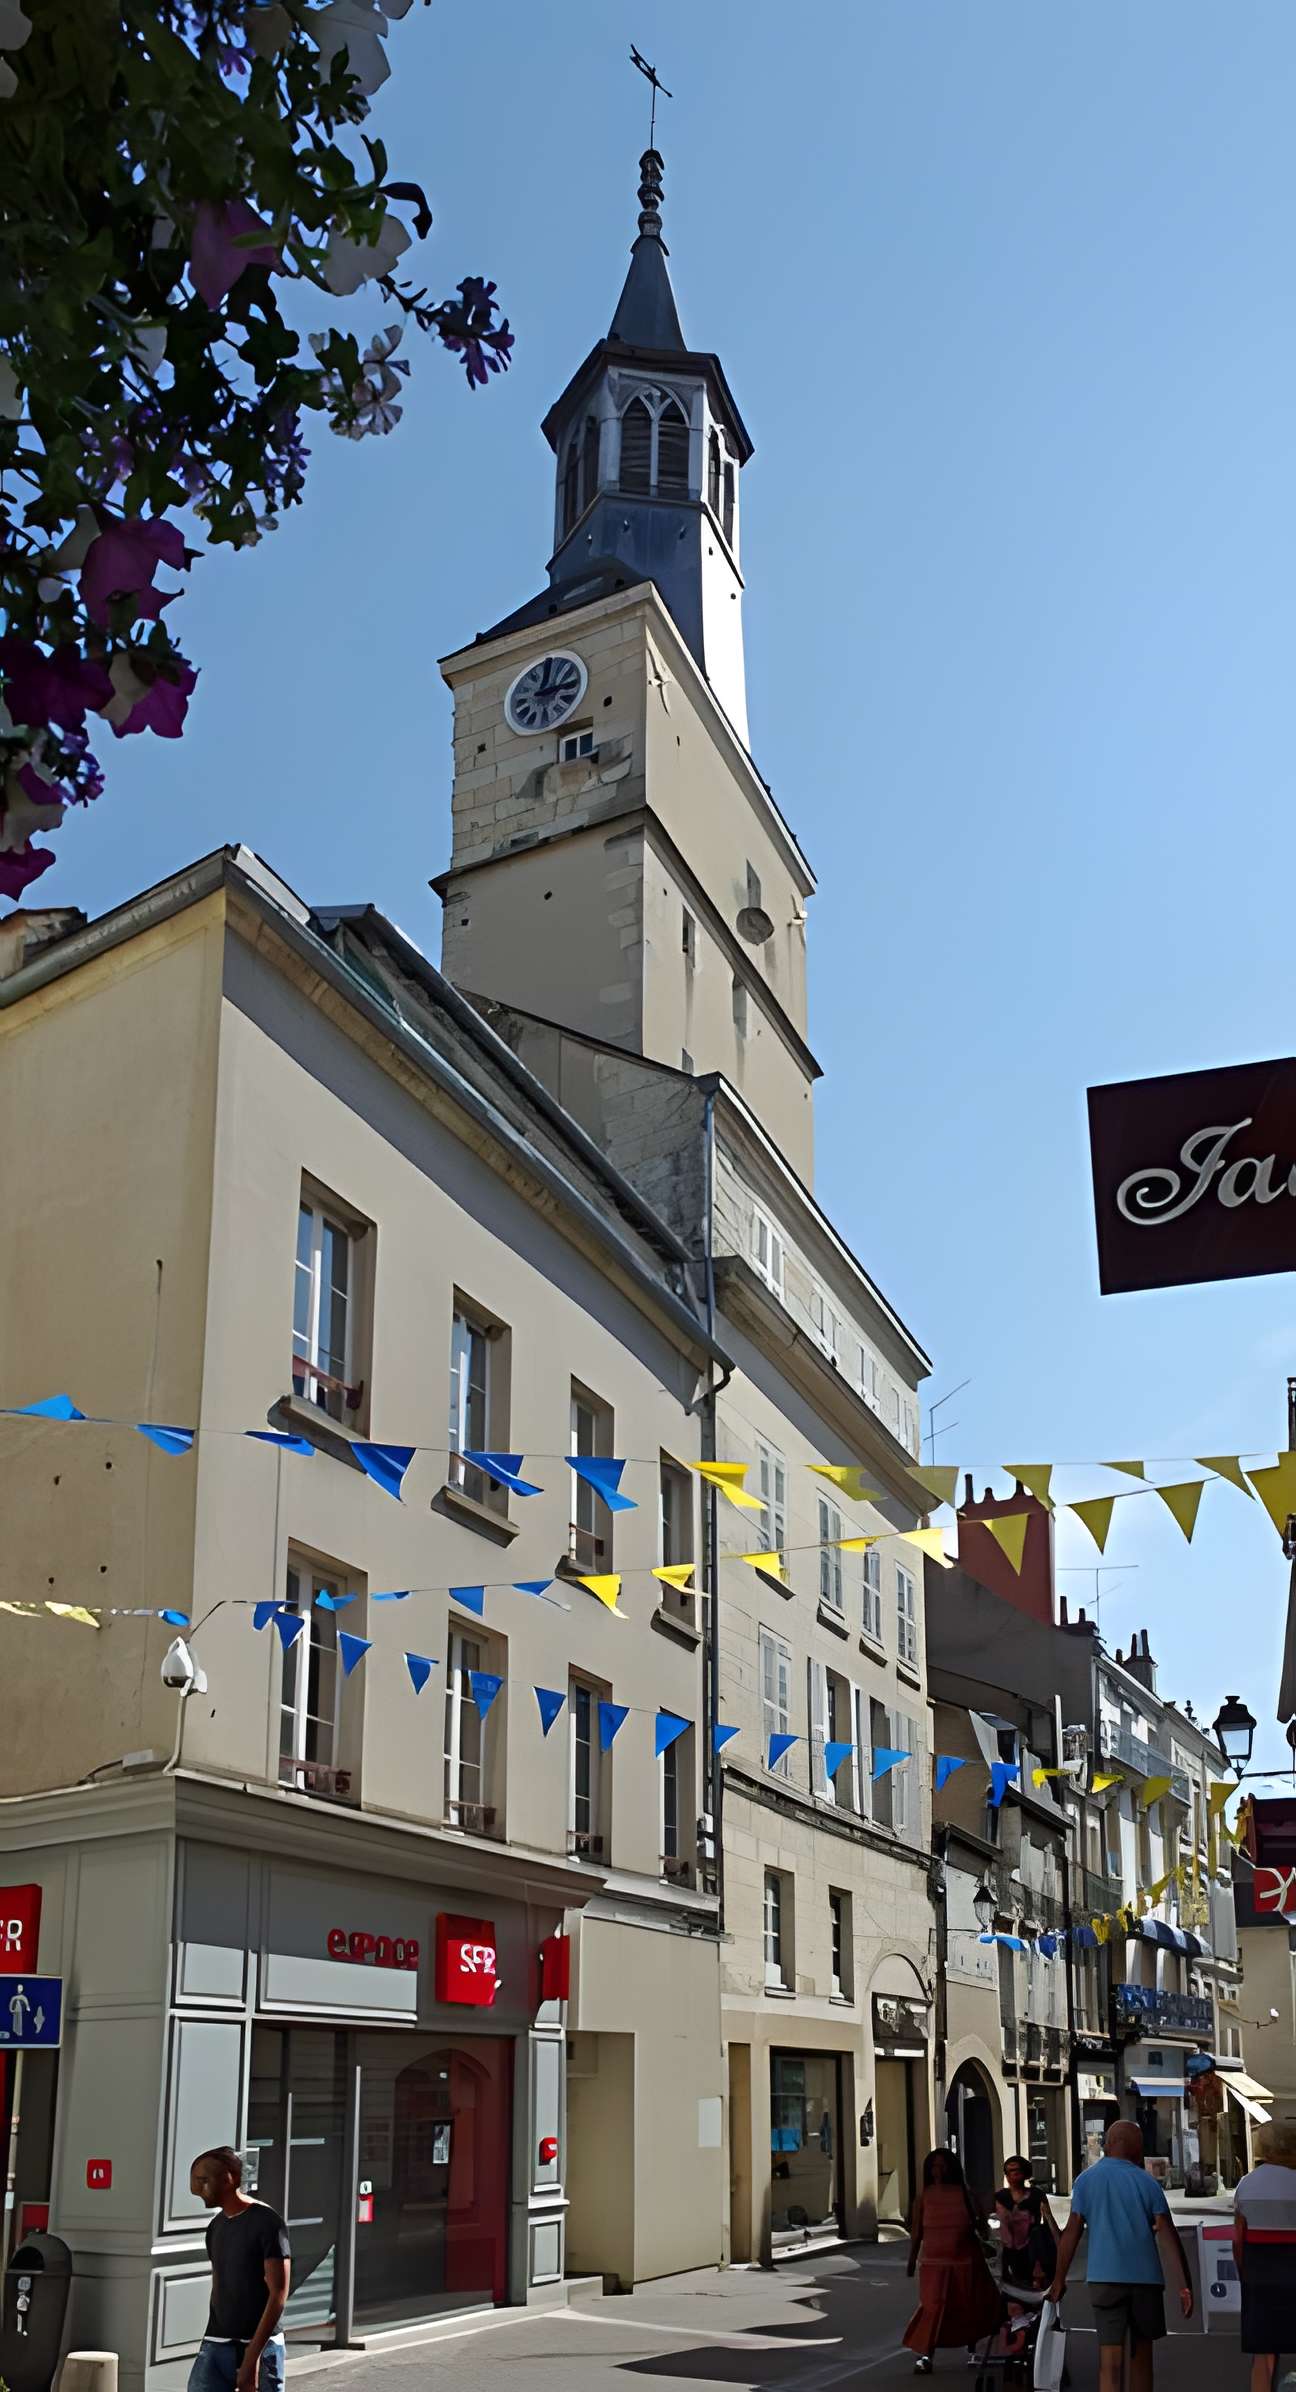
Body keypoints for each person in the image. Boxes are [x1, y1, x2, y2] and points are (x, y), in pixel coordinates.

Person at [1047, 2119, 1192, 2392]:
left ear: (1108, 2144)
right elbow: (1168, 2237)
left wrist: (1058, 2280)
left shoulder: (1086, 2181)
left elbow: (1071, 2234)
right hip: (1146, 2281)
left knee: (1109, 2361)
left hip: (1105, 2280)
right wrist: (1184, 2286)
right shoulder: (1147, 2183)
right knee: (1141, 2358)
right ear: (1136, 2148)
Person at [188, 2146, 291, 2392]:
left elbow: (278, 2293)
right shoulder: (216, 2226)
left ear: (228, 2178)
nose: (196, 2190)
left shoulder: (267, 2222)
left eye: (203, 2181)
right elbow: (220, 2286)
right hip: (216, 2342)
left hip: (261, 2347)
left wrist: (251, 2358)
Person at [903, 2147, 1003, 2375]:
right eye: (934, 2166)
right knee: (932, 2308)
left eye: (942, 2165)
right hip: (933, 2262)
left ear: (952, 2168)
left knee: (966, 2306)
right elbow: (917, 2232)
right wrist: (911, 2260)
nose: (938, 2170)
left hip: (964, 2260)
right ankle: (925, 2354)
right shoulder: (924, 2196)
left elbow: (981, 2225)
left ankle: (972, 2346)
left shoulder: (965, 2193)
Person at [1232, 2115, 1296, 2392]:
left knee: (1264, 2354)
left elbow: (1238, 2240)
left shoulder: (1247, 2185)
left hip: (1259, 2276)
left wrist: (1244, 2274)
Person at [993, 2153, 1059, 2290]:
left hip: (1031, 2249)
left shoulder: (1036, 2195)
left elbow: (1049, 2220)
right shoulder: (1000, 2197)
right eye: (1010, 2171)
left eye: (1018, 2170)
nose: (1014, 2174)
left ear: (1025, 2173)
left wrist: (1060, 2243)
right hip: (1007, 2250)